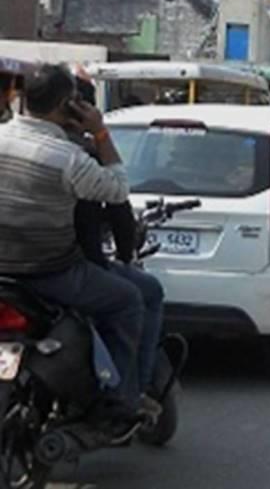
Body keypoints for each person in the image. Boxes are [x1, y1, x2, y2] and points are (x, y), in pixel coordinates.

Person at [0, 65, 145, 429]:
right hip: (51, 273)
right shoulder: (70, 159)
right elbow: (118, 189)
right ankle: (117, 400)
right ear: (69, 106)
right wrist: (99, 130)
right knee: (129, 300)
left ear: (21, 99)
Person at [72, 77, 165, 404]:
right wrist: (127, 254)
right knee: (143, 294)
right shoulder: (81, 158)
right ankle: (129, 394)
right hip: (66, 269)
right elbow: (118, 206)